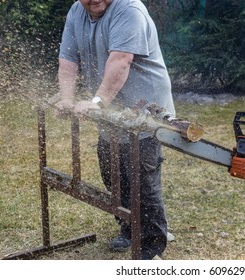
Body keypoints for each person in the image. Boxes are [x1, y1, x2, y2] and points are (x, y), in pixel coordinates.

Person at [52, 0, 176, 260]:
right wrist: (66, 97)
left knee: (141, 179)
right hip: (111, 106)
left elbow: (121, 60)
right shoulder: (76, 11)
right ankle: (130, 228)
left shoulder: (128, 9)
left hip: (145, 109)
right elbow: (68, 59)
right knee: (113, 173)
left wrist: (97, 102)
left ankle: (151, 249)